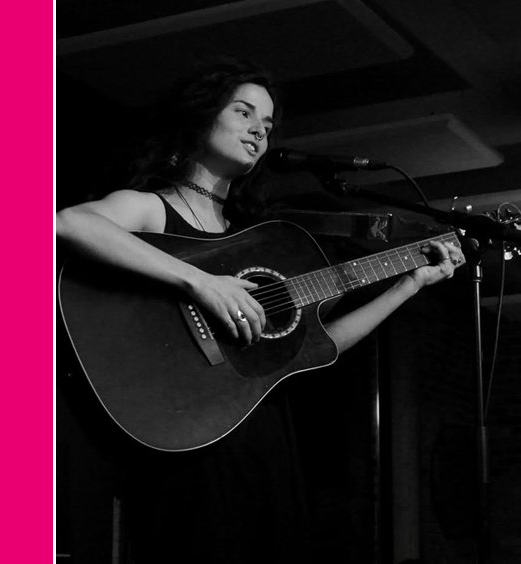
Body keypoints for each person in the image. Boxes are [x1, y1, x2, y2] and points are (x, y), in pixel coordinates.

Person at [55, 58, 464, 562]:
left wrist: (410, 283)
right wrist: (201, 282)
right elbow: (69, 223)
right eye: (244, 113)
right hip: (188, 431)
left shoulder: (258, 241)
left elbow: (321, 345)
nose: (258, 131)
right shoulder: (153, 208)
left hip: (259, 430)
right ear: (201, 117)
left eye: (267, 125)